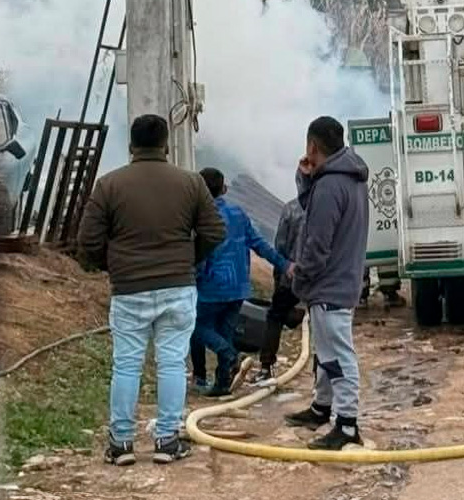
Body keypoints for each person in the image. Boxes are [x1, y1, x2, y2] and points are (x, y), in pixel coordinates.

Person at [79, 114, 225, 466]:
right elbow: (215, 232)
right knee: (172, 362)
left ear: (131, 146)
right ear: (166, 146)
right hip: (177, 286)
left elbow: (87, 241)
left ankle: (121, 444)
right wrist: (188, 259)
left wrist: (111, 265)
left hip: (129, 289)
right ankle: (167, 440)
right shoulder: (191, 183)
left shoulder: (109, 185)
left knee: (126, 365)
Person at [284, 116, 369, 450]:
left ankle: (346, 424)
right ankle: (322, 407)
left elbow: (317, 243)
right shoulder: (347, 179)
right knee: (326, 352)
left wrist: (300, 276)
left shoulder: (330, 186)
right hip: (342, 279)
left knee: (338, 355)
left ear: (312, 146)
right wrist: (305, 180)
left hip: (329, 284)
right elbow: (316, 212)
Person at [190, 168, 291, 398]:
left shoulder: (199, 218)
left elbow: (198, 255)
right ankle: (223, 382)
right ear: (223, 189)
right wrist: (285, 265)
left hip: (211, 286)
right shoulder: (238, 213)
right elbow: (260, 244)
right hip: (238, 287)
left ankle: (224, 358)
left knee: (195, 328)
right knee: (225, 329)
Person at [250, 180, 306, 387]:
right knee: (322, 323)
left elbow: (280, 244)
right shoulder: (325, 206)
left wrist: (283, 269)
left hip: (291, 275)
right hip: (319, 277)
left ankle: (266, 367)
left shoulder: (291, 208)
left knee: (275, 316)